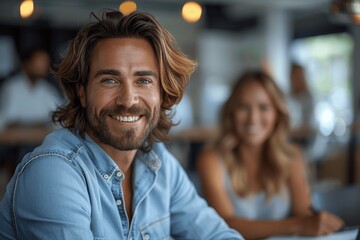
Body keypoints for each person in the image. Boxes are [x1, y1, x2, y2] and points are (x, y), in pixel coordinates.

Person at [0, 10, 243, 240]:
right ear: (82, 93)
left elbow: (219, 235)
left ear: (162, 91)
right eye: (109, 80)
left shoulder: (159, 164)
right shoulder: (53, 171)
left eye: (144, 80)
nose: (128, 100)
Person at [197, 70, 344, 239]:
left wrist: (313, 223)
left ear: (277, 114)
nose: (253, 118)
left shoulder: (292, 155)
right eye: (244, 107)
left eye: (263, 107)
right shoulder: (211, 159)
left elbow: (304, 214)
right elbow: (225, 225)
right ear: (231, 112)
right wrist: (297, 225)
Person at [0, 47, 62, 130]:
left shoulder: (47, 89)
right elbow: (6, 122)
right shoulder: (11, 88)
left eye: (45, 61)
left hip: (42, 141)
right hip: (15, 142)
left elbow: (59, 117)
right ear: (26, 64)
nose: (43, 65)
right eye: (39, 61)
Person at [287, 63, 317, 148]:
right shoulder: (289, 96)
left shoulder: (310, 97)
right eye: (294, 76)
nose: (296, 79)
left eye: (298, 76)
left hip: (306, 141)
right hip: (291, 139)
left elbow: (309, 126)